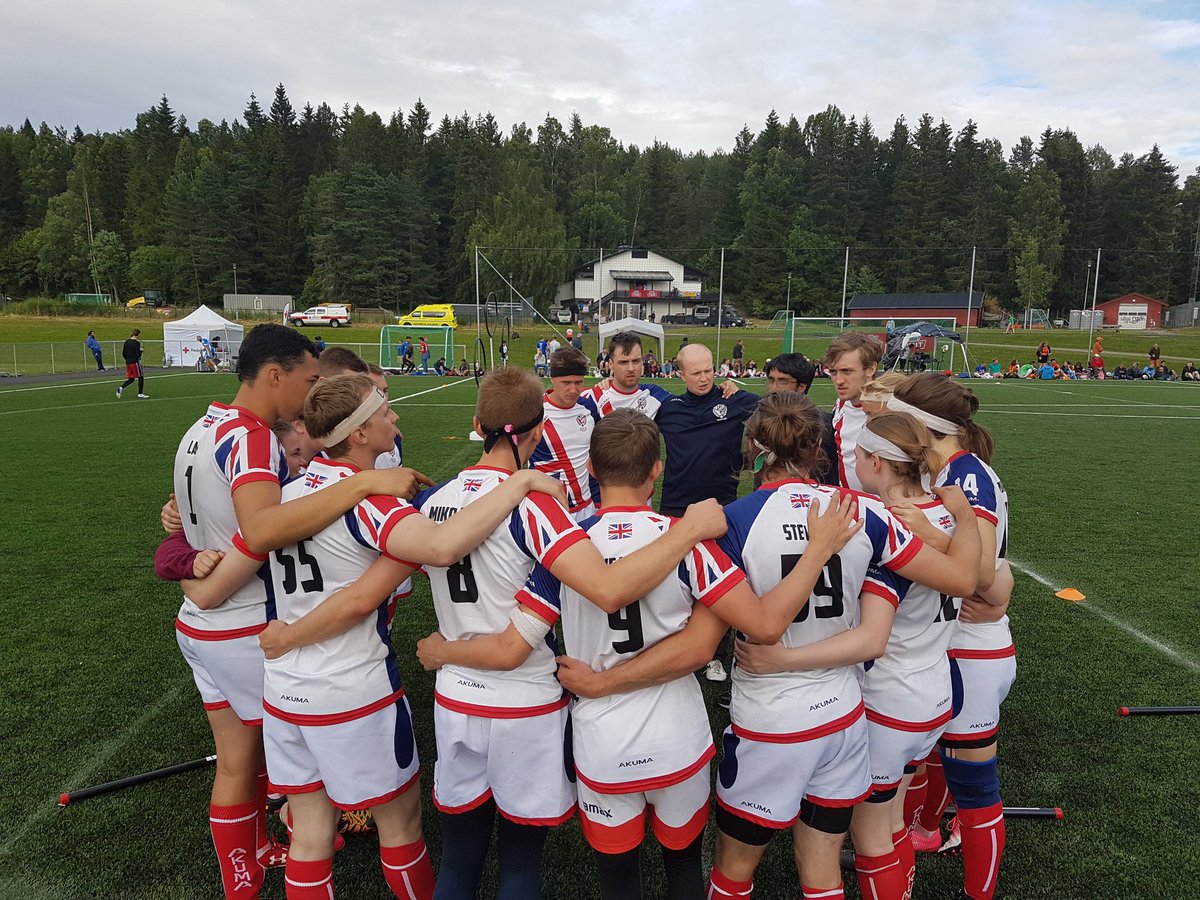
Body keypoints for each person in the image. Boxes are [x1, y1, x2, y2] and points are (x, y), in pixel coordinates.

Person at [184, 375, 568, 900]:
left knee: (311, 835)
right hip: (352, 690)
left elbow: (220, 567)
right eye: (385, 413)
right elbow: (438, 547)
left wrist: (176, 549)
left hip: (283, 692)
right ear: (360, 434)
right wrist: (518, 484)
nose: (396, 420)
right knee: (401, 827)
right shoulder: (372, 505)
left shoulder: (284, 501)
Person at [404, 367, 727, 900]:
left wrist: (444, 649)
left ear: (477, 422)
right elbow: (603, 586)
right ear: (538, 431)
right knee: (520, 864)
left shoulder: (433, 501)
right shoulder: (539, 510)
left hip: (456, 695)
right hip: (523, 702)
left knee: (458, 860)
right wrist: (689, 528)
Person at [526, 410, 861, 899]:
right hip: (677, 739)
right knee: (684, 870)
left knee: (618, 882)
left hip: (601, 742)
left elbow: (518, 636)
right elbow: (749, 631)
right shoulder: (695, 544)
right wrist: (815, 551)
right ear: (656, 469)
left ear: (592, 469)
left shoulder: (563, 549)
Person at [161, 324, 427, 899]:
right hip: (253, 623)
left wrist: (180, 559)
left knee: (240, 765)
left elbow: (191, 514)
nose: (310, 394)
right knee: (340, 793)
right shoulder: (253, 435)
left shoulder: (198, 429)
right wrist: (365, 486)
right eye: (308, 379)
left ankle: (244, 879)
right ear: (275, 375)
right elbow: (261, 529)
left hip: (202, 626)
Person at [737, 411, 964, 899]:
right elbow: (970, 581)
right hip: (865, 706)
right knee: (839, 854)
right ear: (815, 451)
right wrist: (964, 520)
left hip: (784, 713)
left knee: (736, 869)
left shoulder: (734, 520)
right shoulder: (865, 512)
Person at [887, 374, 1014, 900]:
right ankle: (922, 831)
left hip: (974, 649)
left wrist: (925, 532)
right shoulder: (949, 469)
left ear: (925, 427)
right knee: (934, 757)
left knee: (977, 788)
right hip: (952, 643)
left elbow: (982, 578)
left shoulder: (966, 478)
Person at [655, 344, 758, 517]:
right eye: (696, 373)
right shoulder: (668, 408)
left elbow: (780, 408)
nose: (704, 378)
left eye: (708, 371)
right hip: (675, 507)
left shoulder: (735, 400)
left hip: (721, 506)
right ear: (682, 375)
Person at [530, 347, 601, 522]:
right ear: (552, 378)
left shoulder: (589, 408)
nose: (573, 389)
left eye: (578, 382)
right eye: (566, 382)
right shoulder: (534, 412)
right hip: (548, 510)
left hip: (587, 507)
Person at [824, 332, 883, 491]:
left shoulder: (890, 408)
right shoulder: (841, 404)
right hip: (850, 504)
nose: (839, 381)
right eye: (833, 372)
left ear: (870, 369)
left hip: (884, 507)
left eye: (847, 371)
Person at [117, 328, 147, 398]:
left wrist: (127, 359)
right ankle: (140, 393)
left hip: (128, 362)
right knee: (141, 377)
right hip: (135, 362)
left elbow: (123, 353)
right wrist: (141, 351)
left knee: (131, 378)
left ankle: (121, 388)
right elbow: (137, 354)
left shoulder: (126, 342)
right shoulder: (136, 343)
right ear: (138, 335)